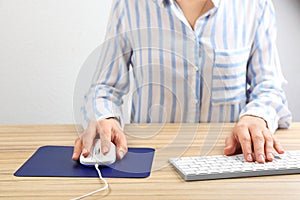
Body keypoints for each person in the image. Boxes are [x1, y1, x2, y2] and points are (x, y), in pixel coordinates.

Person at [72, 0, 292, 164]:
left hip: (230, 162)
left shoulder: (255, 5)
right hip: (151, 164)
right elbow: (103, 88)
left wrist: (256, 116)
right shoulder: (130, 5)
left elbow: (269, 87)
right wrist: (106, 117)